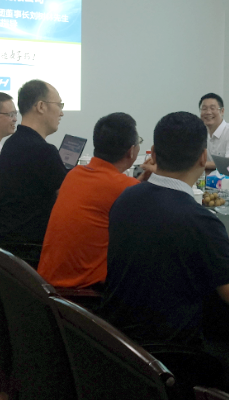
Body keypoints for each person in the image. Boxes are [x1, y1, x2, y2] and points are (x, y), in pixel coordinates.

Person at [99, 111, 229, 346]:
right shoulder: (199, 220)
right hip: (167, 351)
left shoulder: (125, 197)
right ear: (203, 158)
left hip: (116, 341)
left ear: (153, 153)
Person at [37, 113, 154, 289]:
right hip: (83, 294)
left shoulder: (74, 174)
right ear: (131, 151)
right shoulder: (125, 188)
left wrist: (140, 182)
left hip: (47, 286)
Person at [0, 79, 66, 244]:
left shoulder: (12, 142)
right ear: (41, 106)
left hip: (4, 241)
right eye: (59, 105)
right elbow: (69, 197)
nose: (61, 113)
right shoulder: (42, 150)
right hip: (27, 247)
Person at [199, 92, 229, 169]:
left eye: (212, 108)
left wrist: (198, 165)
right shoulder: (201, 132)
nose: (208, 112)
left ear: (222, 111)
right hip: (211, 176)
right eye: (204, 109)